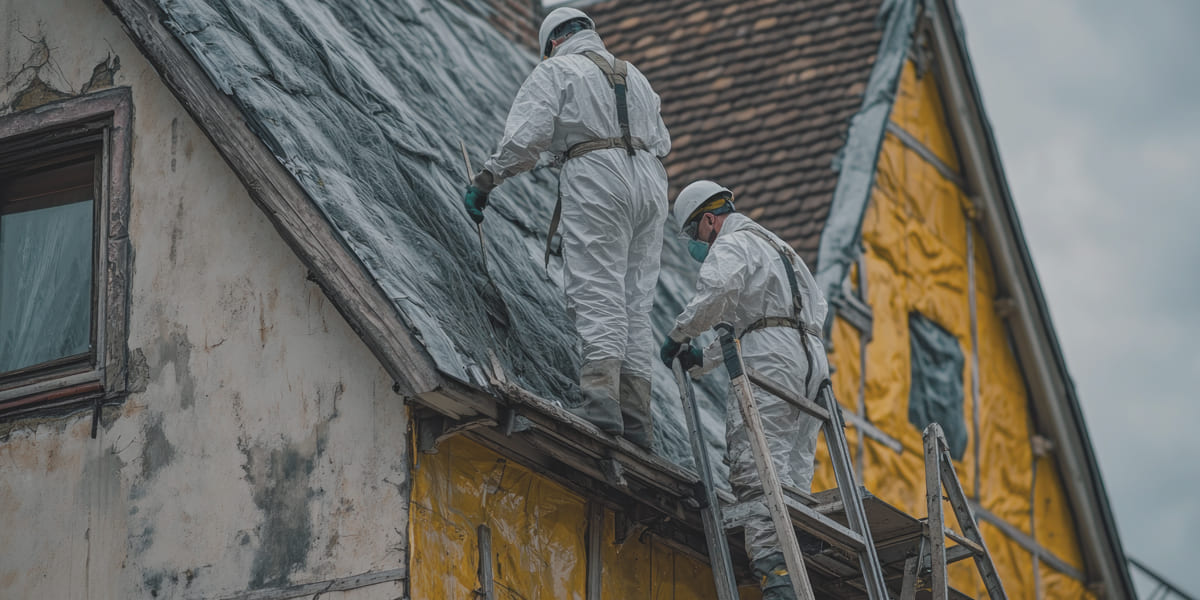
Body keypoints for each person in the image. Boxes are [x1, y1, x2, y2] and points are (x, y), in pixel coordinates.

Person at [463, 8, 671, 451]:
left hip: (598, 174)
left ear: (553, 42)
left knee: (597, 285)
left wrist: (488, 179)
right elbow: (663, 141)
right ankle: (636, 417)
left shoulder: (557, 69)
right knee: (635, 298)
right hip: (651, 182)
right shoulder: (635, 76)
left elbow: (527, 137)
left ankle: (600, 402)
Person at [659, 180, 828, 600]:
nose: (697, 245)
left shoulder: (732, 246)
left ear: (710, 220)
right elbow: (751, 317)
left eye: (695, 233)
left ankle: (777, 578)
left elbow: (717, 295)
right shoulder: (778, 247)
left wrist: (681, 335)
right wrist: (708, 358)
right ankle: (794, 556)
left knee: (755, 466)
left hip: (771, 356)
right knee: (791, 466)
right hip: (811, 359)